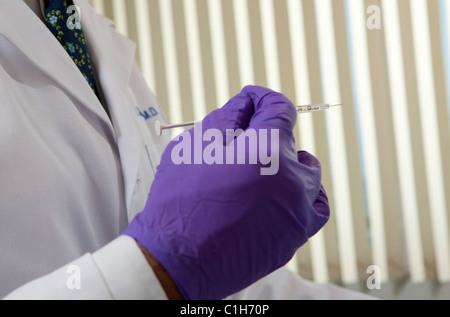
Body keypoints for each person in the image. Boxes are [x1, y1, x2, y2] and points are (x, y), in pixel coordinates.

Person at [1, 0, 370, 300]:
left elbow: (226, 288)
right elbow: (172, 263)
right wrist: (155, 269)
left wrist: (202, 253)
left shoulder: (83, 32)